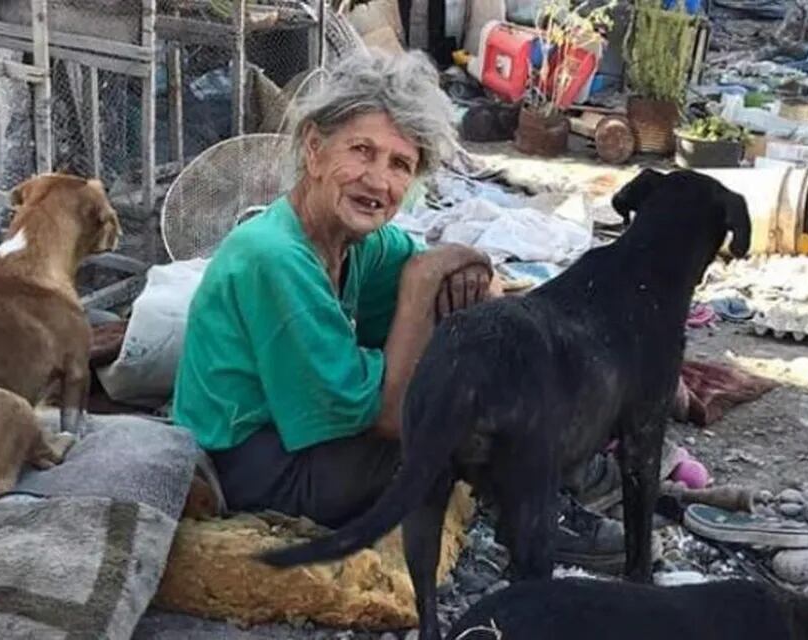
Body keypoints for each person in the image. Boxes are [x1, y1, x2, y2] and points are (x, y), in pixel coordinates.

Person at [171, 49, 626, 572]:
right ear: (314, 150)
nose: (378, 180)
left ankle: (563, 476)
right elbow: (390, 417)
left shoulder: (357, 242)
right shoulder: (274, 256)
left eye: (399, 165)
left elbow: (452, 276)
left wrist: (469, 273)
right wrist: (420, 284)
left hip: (303, 440)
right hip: (254, 464)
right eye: (361, 151)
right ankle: (536, 514)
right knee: (456, 422)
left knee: (490, 360)